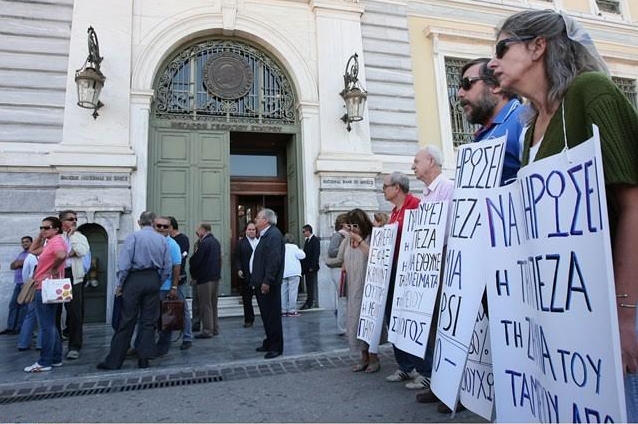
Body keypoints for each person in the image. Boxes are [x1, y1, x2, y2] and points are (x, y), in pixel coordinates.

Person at [488, 9, 638, 420]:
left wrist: (626, 318)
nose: (491, 63)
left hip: (609, 309)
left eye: (502, 47)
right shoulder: (528, 127)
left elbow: (633, 204)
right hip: (562, 316)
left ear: (538, 46)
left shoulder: (592, 93)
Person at [412, 145, 457, 411]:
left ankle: (454, 390)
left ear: (431, 161)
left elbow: (450, 233)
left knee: (445, 328)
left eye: (416, 161)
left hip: (441, 266)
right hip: (425, 269)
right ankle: (439, 383)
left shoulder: (448, 189)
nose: (413, 166)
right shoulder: (427, 195)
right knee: (430, 327)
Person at [97, 211, 171, 370]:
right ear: (153, 223)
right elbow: (167, 266)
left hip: (134, 279)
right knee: (148, 321)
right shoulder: (162, 240)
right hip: (153, 278)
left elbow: (124, 264)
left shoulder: (133, 237)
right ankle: (144, 358)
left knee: (127, 319)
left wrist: (120, 284)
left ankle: (115, 361)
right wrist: (159, 281)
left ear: (139, 222)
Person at [382, 172, 430, 388]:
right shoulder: (394, 212)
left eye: (385, 186)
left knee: (412, 320)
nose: (383, 190)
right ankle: (405, 366)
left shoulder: (416, 206)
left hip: (410, 273)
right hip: (393, 271)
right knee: (393, 319)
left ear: (397, 188)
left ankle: (425, 369)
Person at [457, 58, 525, 185]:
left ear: (496, 85)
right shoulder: (484, 134)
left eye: (467, 84)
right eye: (459, 87)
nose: (460, 93)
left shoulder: (524, 119)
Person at [23, 217, 66, 372]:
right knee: (51, 325)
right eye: (41, 227)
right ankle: (55, 358)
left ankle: (45, 361)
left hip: (45, 287)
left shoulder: (57, 241)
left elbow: (61, 255)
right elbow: (32, 251)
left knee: (46, 326)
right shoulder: (50, 242)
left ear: (56, 229)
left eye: (46, 228)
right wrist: (40, 236)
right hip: (47, 287)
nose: (43, 230)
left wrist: (53, 269)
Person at [342, 208, 380, 373]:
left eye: (355, 225)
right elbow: (340, 257)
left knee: (368, 322)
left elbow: (375, 256)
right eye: (349, 226)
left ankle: (374, 358)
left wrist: (360, 241)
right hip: (353, 286)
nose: (352, 229)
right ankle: (363, 356)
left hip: (368, 287)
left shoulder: (372, 237)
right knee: (355, 322)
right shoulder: (348, 240)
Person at [251, 208, 285, 359]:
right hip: (261, 282)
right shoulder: (265, 235)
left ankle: (276, 346)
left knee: (272, 316)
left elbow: (273, 260)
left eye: (258, 218)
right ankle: (269, 341)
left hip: (268, 284)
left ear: (266, 221)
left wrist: (267, 281)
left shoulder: (273, 236)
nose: (255, 220)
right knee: (266, 315)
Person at [57, 210, 90, 360]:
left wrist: (72, 238)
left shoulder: (79, 237)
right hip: (57, 276)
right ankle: (55, 343)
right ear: (62, 221)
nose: (74, 221)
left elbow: (82, 251)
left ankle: (74, 346)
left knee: (75, 312)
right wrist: (68, 254)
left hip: (73, 276)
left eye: (75, 219)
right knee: (55, 311)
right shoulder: (55, 237)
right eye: (70, 219)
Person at [154, 216, 187, 356]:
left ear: (170, 228)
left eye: (165, 226)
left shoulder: (173, 244)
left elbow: (176, 267)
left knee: (166, 319)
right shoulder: (151, 242)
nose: (161, 228)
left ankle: (162, 348)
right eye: (159, 226)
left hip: (166, 288)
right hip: (151, 288)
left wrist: (173, 288)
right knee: (150, 319)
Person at [189, 222, 222, 338]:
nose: (197, 232)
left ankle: (207, 330)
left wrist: (192, 268)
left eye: (198, 230)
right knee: (213, 304)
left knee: (205, 305)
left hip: (205, 278)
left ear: (203, 230)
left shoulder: (204, 243)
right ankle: (215, 328)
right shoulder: (216, 242)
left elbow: (196, 260)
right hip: (215, 278)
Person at [168, 216, 192, 349]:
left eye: (165, 226)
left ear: (171, 227)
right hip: (165, 280)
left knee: (183, 309)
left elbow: (180, 260)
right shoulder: (166, 239)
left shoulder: (182, 239)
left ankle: (187, 337)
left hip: (178, 279)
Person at [1, 236, 32, 335]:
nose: (24, 243)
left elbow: (26, 264)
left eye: (27, 242)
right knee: (13, 304)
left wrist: (19, 263)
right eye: (23, 242)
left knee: (23, 306)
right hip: (18, 282)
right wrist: (18, 263)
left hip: (26, 283)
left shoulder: (32, 253)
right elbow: (12, 266)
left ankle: (19, 327)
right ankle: (11, 327)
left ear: (31, 243)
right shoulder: (21, 254)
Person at [325, 213, 349, 335]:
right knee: (343, 298)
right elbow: (332, 251)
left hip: (344, 269)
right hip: (339, 269)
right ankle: (343, 327)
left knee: (345, 299)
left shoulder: (345, 235)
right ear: (343, 224)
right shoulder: (338, 235)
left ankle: (346, 326)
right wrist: (346, 246)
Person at [234, 221, 259, 327]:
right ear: (245, 231)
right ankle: (248, 320)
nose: (251, 231)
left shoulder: (260, 241)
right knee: (247, 299)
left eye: (253, 229)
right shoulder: (240, 243)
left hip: (259, 276)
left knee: (262, 299)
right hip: (246, 275)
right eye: (249, 229)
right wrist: (239, 269)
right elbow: (237, 258)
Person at [17, 250, 41, 351]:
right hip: (45, 286)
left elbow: (25, 274)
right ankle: (41, 344)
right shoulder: (50, 252)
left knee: (30, 316)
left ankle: (23, 343)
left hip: (32, 286)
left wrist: (28, 283)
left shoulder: (31, 256)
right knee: (44, 318)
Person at [281, 233, 305, 317]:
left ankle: (283, 310)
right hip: (294, 272)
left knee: (283, 292)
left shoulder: (281, 247)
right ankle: (291, 310)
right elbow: (302, 256)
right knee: (293, 292)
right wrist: (301, 249)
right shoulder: (294, 247)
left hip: (283, 272)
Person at [300, 224, 320, 310]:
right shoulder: (307, 240)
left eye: (304, 231)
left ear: (308, 231)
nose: (303, 233)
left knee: (310, 285)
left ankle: (310, 302)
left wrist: (312, 266)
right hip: (306, 267)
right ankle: (309, 301)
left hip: (311, 267)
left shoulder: (315, 240)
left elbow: (316, 254)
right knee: (308, 284)